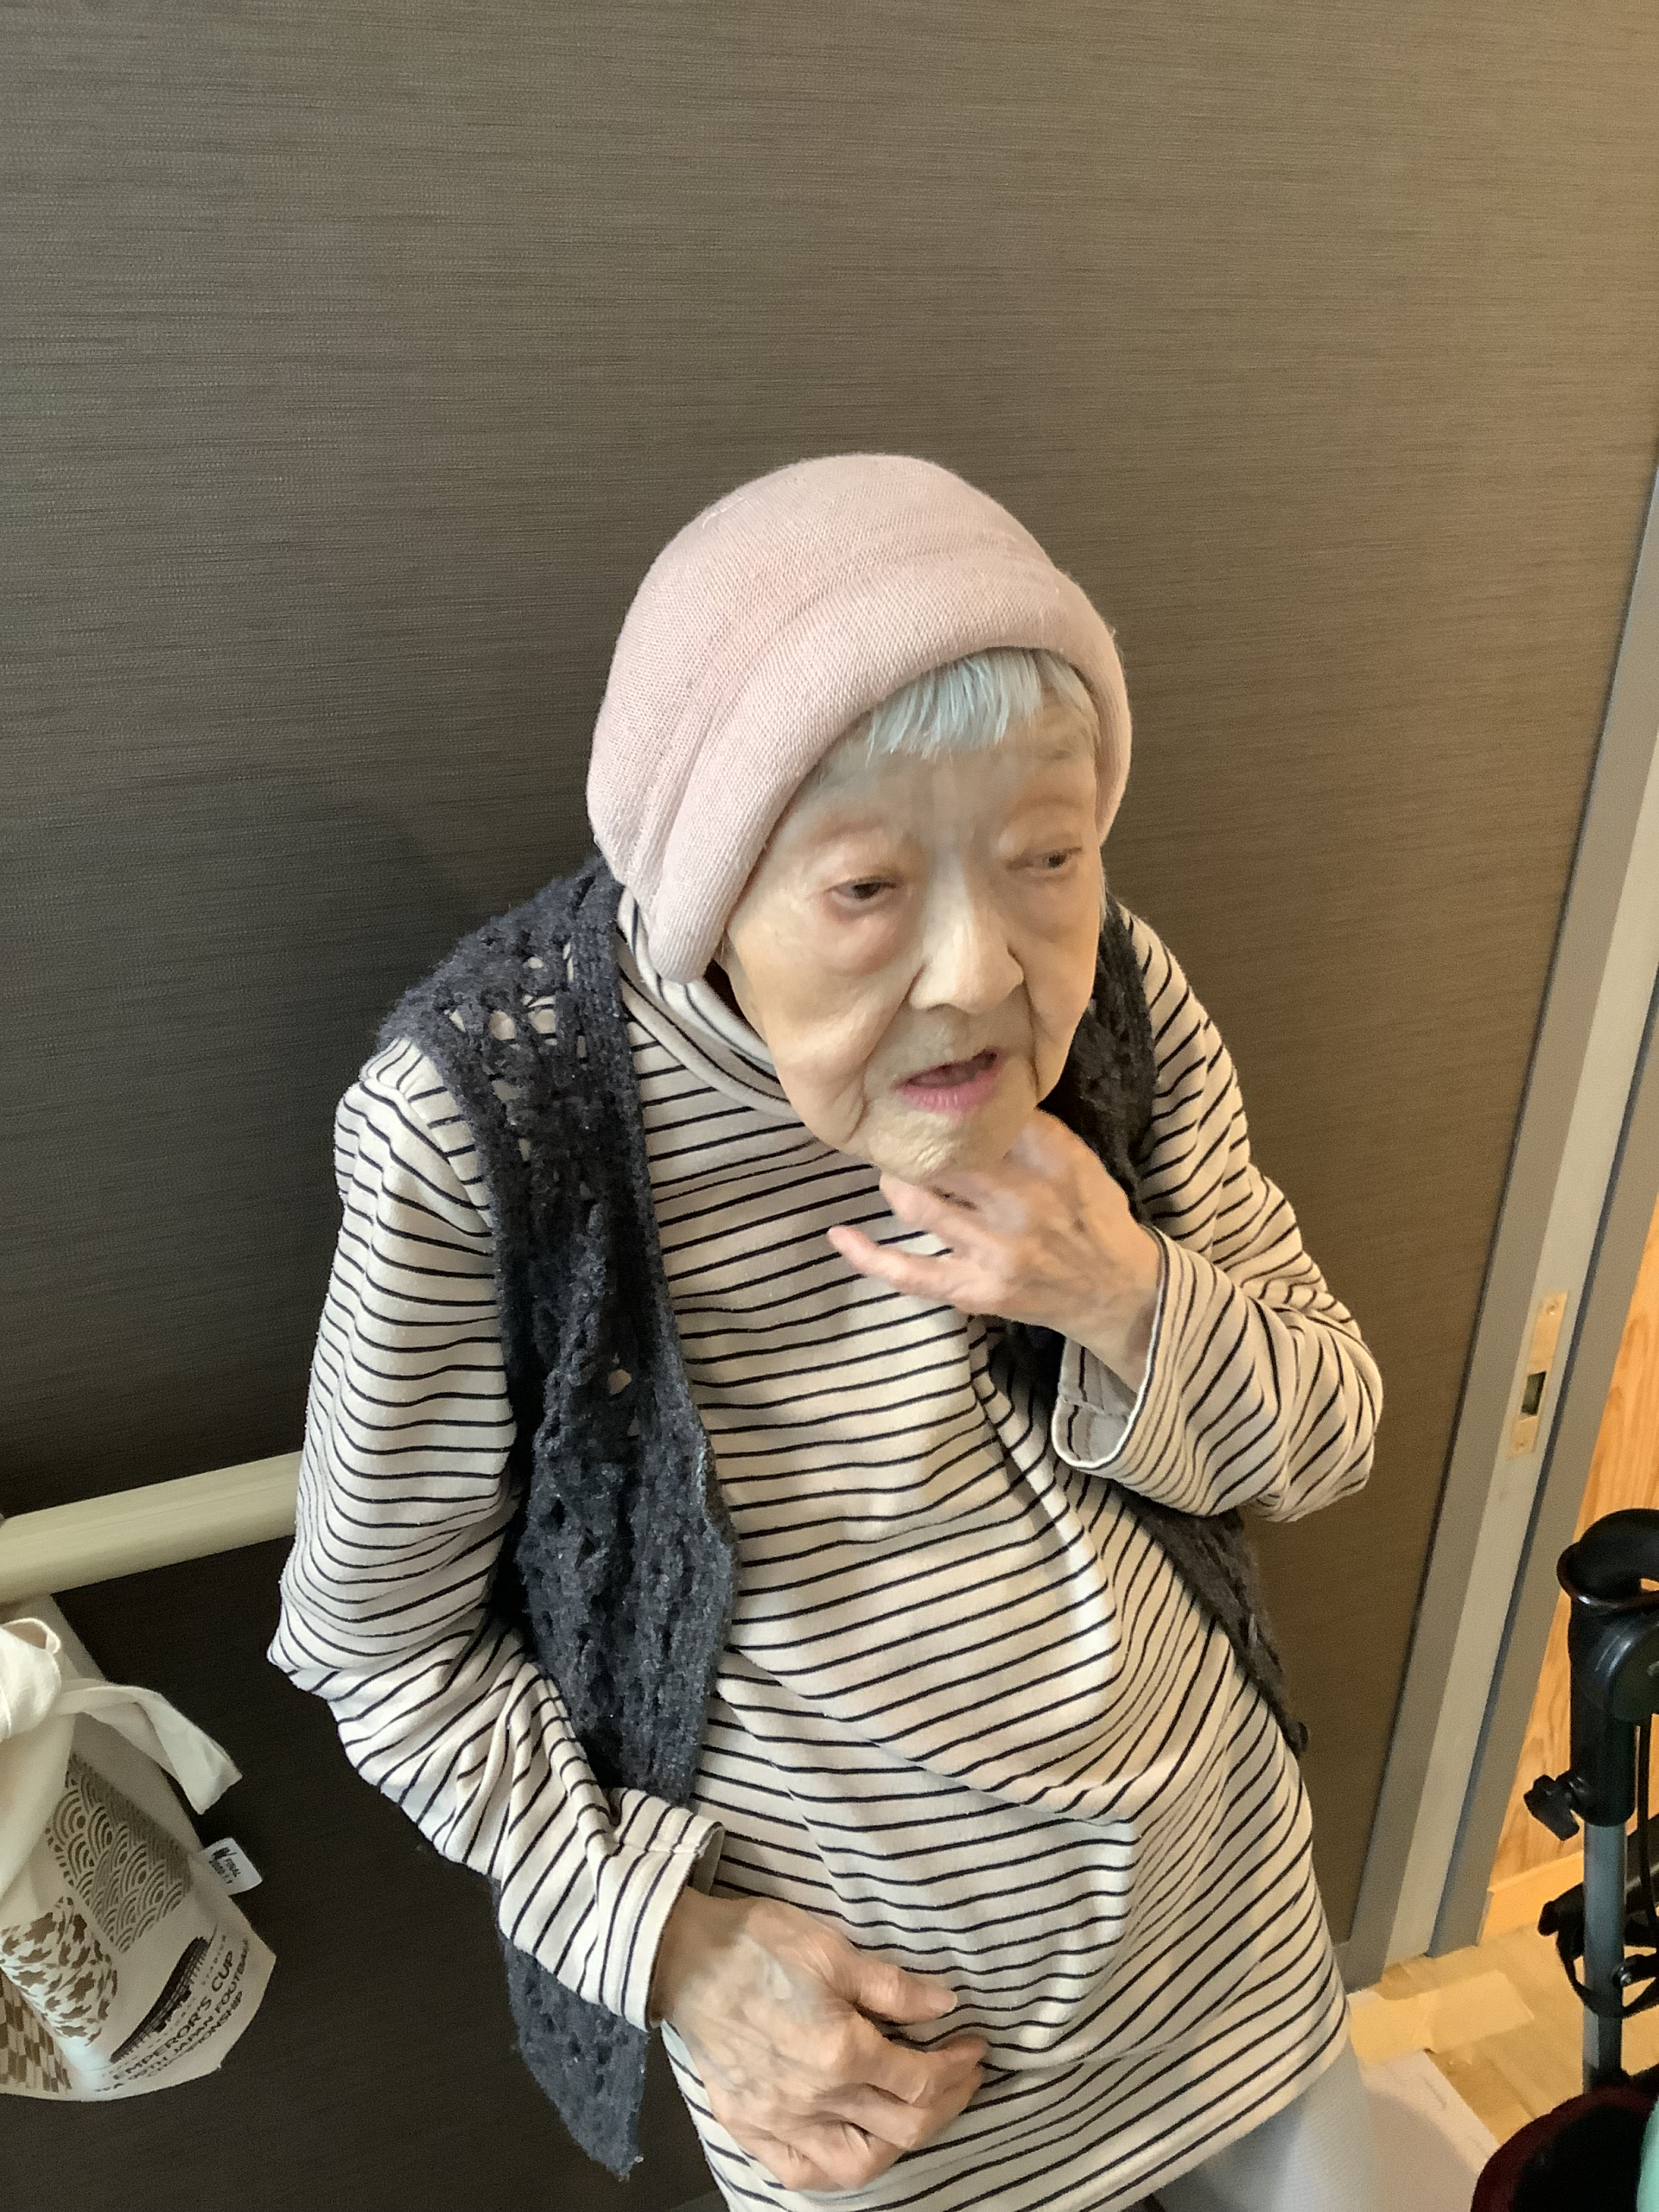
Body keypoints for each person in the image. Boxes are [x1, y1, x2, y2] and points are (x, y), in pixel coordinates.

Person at [270, 454, 1386, 2211]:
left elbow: (1328, 1431)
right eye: (867, 891)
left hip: (1229, 1947)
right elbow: (380, 1652)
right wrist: (675, 1950)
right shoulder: (496, 1126)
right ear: (704, 880)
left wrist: (1119, 1288)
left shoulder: (1117, 1001)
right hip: (881, 2095)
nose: (979, 975)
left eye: (1047, 857)